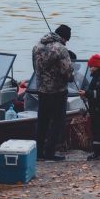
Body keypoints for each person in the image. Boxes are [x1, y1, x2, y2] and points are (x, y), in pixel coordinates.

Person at [32, 24, 74, 162]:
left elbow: (35, 67)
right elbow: (67, 71)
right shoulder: (61, 49)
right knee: (57, 122)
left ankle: (38, 153)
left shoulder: (37, 46)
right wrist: (71, 77)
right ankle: (49, 153)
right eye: (66, 40)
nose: (66, 42)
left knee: (42, 121)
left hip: (42, 90)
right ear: (64, 37)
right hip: (57, 91)